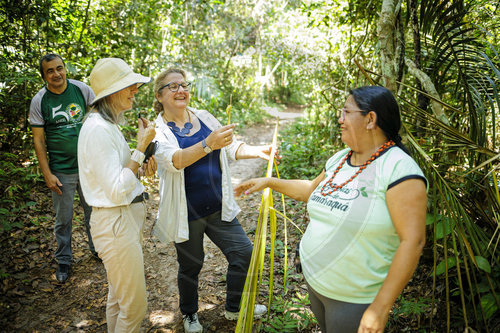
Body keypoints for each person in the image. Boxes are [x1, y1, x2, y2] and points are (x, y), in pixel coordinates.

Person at [235, 86, 428, 333]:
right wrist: (269, 182)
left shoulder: (399, 169)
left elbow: (413, 242)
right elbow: (309, 190)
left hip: (353, 297)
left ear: (371, 119)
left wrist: (379, 308)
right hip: (317, 284)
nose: (340, 119)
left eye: (346, 112)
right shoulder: (340, 159)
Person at [152, 68, 272, 333]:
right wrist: (207, 144)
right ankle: (190, 314)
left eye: (184, 85)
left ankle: (234, 307)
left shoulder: (204, 117)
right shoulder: (157, 131)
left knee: (243, 253)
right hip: (187, 212)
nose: (181, 90)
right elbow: (175, 161)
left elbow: (230, 146)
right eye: (173, 87)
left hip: (217, 206)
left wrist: (259, 151)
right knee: (191, 265)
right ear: (159, 95)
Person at [77, 58, 156, 332]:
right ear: (112, 92)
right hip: (114, 224)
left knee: (118, 300)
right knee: (134, 308)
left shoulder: (108, 126)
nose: (135, 89)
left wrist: (141, 162)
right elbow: (115, 188)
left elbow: (122, 174)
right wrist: (140, 147)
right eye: (129, 85)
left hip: (121, 221)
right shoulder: (98, 129)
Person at [29, 53, 97, 283]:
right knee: (63, 219)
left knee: (94, 213)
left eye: (60, 68)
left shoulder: (81, 90)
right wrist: (47, 173)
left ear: (65, 69)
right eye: (50, 70)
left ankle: (98, 250)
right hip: (61, 170)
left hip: (88, 166)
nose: (57, 74)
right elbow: (39, 140)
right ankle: (64, 260)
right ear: (44, 75)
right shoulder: (40, 100)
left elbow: (100, 119)